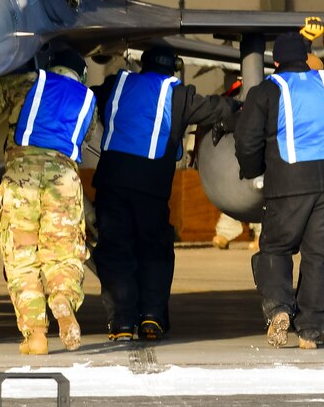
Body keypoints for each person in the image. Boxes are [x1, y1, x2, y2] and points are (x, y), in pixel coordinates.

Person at [89, 45, 235, 342]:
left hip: (112, 180)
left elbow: (91, 95)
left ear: (144, 64)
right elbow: (216, 107)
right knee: (154, 251)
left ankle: (121, 321)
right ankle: (151, 318)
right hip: (151, 186)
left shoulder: (118, 83)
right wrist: (240, 106)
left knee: (116, 251)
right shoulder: (178, 93)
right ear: (173, 67)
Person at [0, 47, 96, 355]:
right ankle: (63, 300)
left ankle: (35, 335)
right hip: (64, 179)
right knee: (63, 254)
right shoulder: (88, 100)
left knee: (22, 258)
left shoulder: (30, 83)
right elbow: (86, 137)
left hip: (22, 176)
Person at [233, 30, 324, 349]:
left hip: (288, 182)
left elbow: (248, 140)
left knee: (275, 249)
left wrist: (253, 169)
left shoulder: (268, 90)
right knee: (320, 257)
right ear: (305, 59)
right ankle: (311, 330)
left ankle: (280, 309)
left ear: (276, 61)